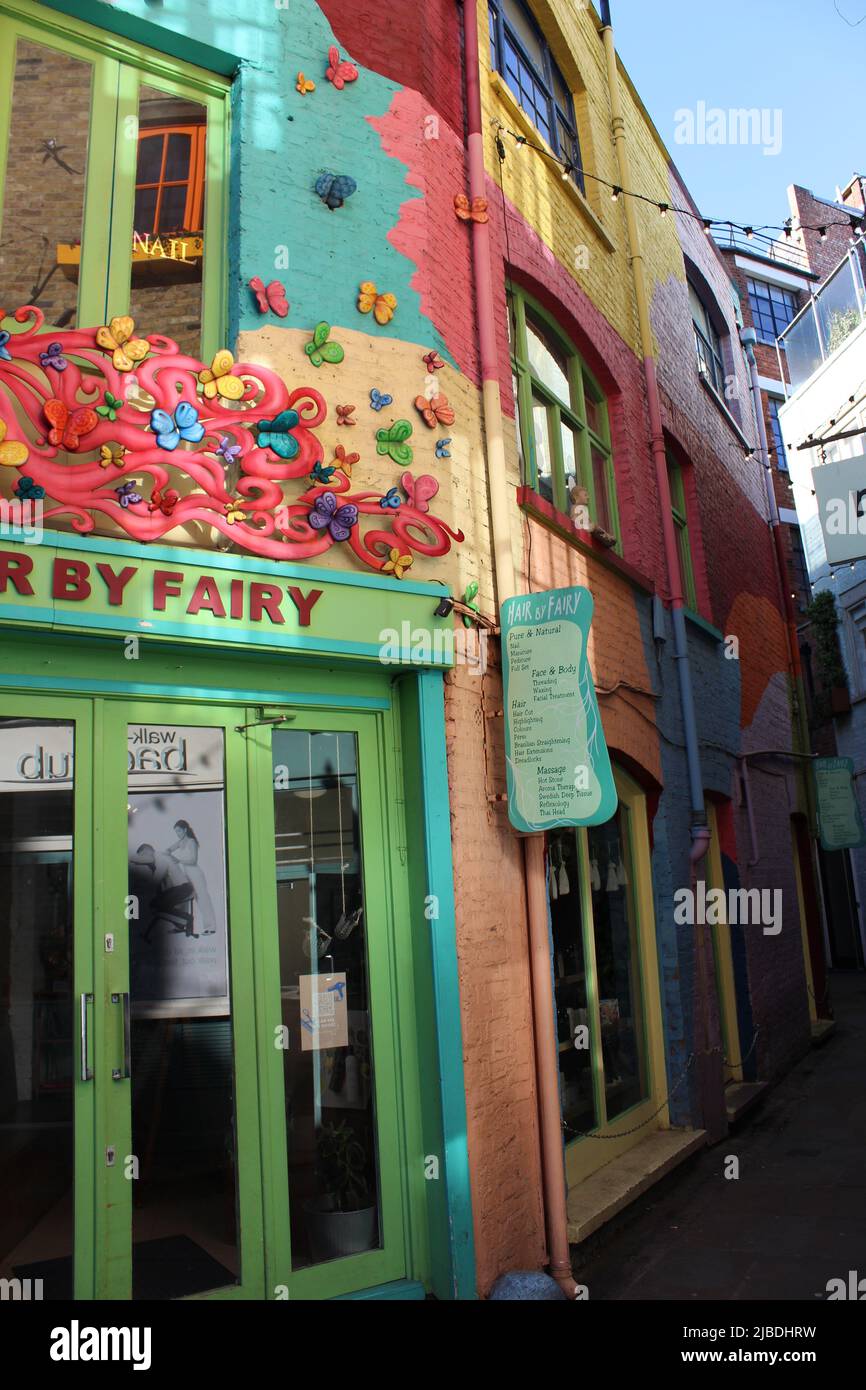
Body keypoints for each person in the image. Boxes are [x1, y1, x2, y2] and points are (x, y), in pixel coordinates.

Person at [130, 844, 197, 940]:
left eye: (142, 856)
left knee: (155, 905)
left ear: (146, 852)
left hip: (183, 889)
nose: (143, 861)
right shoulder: (159, 859)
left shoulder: (160, 858)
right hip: (181, 889)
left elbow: (155, 881)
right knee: (156, 904)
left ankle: (186, 920)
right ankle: (181, 922)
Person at [167, 820, 218, 936]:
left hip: (195, 874)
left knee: (202, 899)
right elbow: (168, 850)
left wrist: (178, 860)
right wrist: (166, 854)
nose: (178, 834)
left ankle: (211, 927)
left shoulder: (191, 842)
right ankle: (182, 925)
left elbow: (193, 860)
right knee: (183, 899)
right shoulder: (180, 842)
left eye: (179, 831)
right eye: (176, 832)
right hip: (186, 875)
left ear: (185, 830)